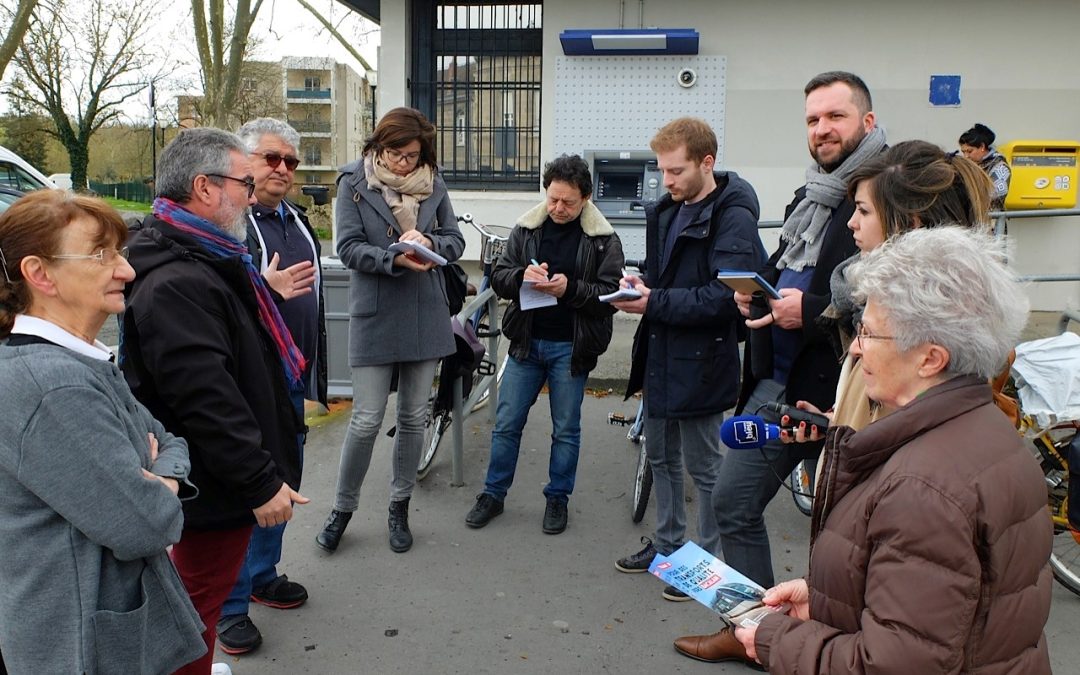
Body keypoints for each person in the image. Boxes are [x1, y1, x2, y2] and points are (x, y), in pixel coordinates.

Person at [734, 226, 1052, 674]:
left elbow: (892, 664)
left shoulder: (923, 488)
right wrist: (827, 598)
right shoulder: (989, 433)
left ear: (930, 358)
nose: (857, 349)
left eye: (868, 332)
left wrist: (774, 638)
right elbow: (954, 606)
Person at [675, 71, 883, 665]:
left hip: (850, 394)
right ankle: (751, 633)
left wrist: (808, 312)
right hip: (778, 382)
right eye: (813, 120)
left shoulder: (886, 192)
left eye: (834, 117)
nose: (821, 129)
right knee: (730, 501)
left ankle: (851, 646)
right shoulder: (812, 193)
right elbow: (782, 264)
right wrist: (756, 295)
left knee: (854, 537)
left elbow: (885, 297)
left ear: (866, 122)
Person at [120, 128, 308, 675]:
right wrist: (259, 481)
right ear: (204, 187)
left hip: (217, 476)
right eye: (243, 183)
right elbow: (206, 398)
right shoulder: (179, 278)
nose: (253, 195)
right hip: (215, 482)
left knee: (196, 598)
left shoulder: (206, 256)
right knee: (196, 607)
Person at [0, 190, 205, 673]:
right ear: (39, 273)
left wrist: (158, 476)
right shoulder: (52, 386)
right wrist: (163, 483)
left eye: (119, 252)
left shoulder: (77, 361)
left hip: (101, 631)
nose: (127, 270)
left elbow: (169, 439)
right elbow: (148, 524)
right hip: (77, 647)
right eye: (100, 254)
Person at [610, 117, 766, 601]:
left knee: (704, 466)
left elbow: (725, 299)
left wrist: (652, 302)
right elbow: (666, 281)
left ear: (707, 163)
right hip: (662, 350)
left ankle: (705, 561)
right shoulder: (666, 209)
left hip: (702, 358)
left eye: (676, 171)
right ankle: (668, 548)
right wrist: (642, 287)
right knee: (659, 457)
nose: (666, 181)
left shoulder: (733, 215)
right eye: (661, 171)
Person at [315, 107, 464, 555]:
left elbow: (456, 241)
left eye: (412, 155)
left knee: (414, 416)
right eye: (395, 154)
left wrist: (432, 242)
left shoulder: (434, 182)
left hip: (425, 311)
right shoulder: (352, 183)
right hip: (376, 312)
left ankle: (399, 506)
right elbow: (346, 247)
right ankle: (342, 509)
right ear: (378, 147)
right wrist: (392, 258)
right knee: (365, 419)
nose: (403, 163)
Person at [213, 118, 327, 655]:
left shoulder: (296, 220)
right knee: (249, 482)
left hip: (291, 373)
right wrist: (266, 289)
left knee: (283, 474)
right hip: (248, 379)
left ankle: (262, 576)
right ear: (244, 162)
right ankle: (230, 606)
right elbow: (215, 303)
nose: (281, 169)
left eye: (290, 162)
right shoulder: (229, 226)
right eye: (270, 159)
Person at [463, 154, 624, 534]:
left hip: (572, 346)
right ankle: (493, 493)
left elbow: (612, 295)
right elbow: (499, 277)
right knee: (506, 424)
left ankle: (557, 498)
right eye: (552, 199)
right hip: (526, 343)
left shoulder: (603, 239)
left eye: (568, 202)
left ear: (585, 198)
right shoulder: (527, 229)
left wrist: (570, 289)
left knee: (566, 429)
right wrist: (522, 276)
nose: (558, 208)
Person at [959, 123, 1010, 211]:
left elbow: (996, 193)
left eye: (969, 151)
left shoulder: (1000, 166)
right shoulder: (970, 164)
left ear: (982, 146)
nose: (966, 156)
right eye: (963, 152)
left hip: (992, 220)